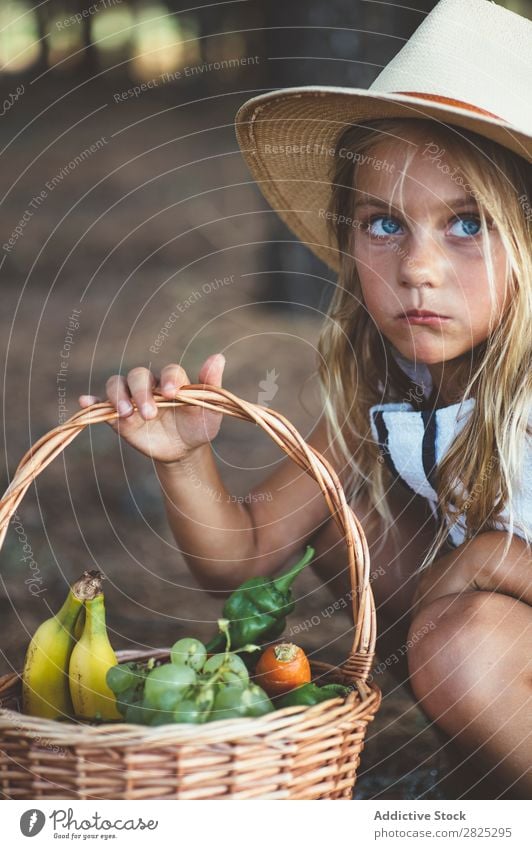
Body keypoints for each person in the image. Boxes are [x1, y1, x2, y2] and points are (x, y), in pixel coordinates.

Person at [79, 0, 532, 793]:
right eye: (385, 224)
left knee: (466, 642)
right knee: (342, 499)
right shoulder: (398, 385)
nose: (417, 268)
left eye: (466, 224)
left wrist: (488, 560)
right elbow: (244, 555)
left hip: (489, 637)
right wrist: (187, 462)